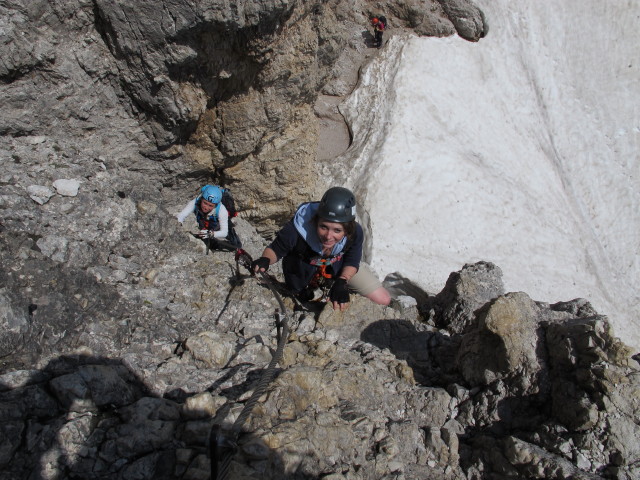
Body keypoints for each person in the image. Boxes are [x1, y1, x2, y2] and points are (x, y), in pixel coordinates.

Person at [251, 187, 391, 311]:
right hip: (301, 271)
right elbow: (276, 250)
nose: (328, 236)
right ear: (316, 221)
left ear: (347, 229)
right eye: (323, 227)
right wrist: (265, 259)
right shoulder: (297, 230)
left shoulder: (355, 233)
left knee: (383, 299)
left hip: (338, 267)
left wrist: (342, 281)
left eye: (337, 230)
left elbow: (352, 260)